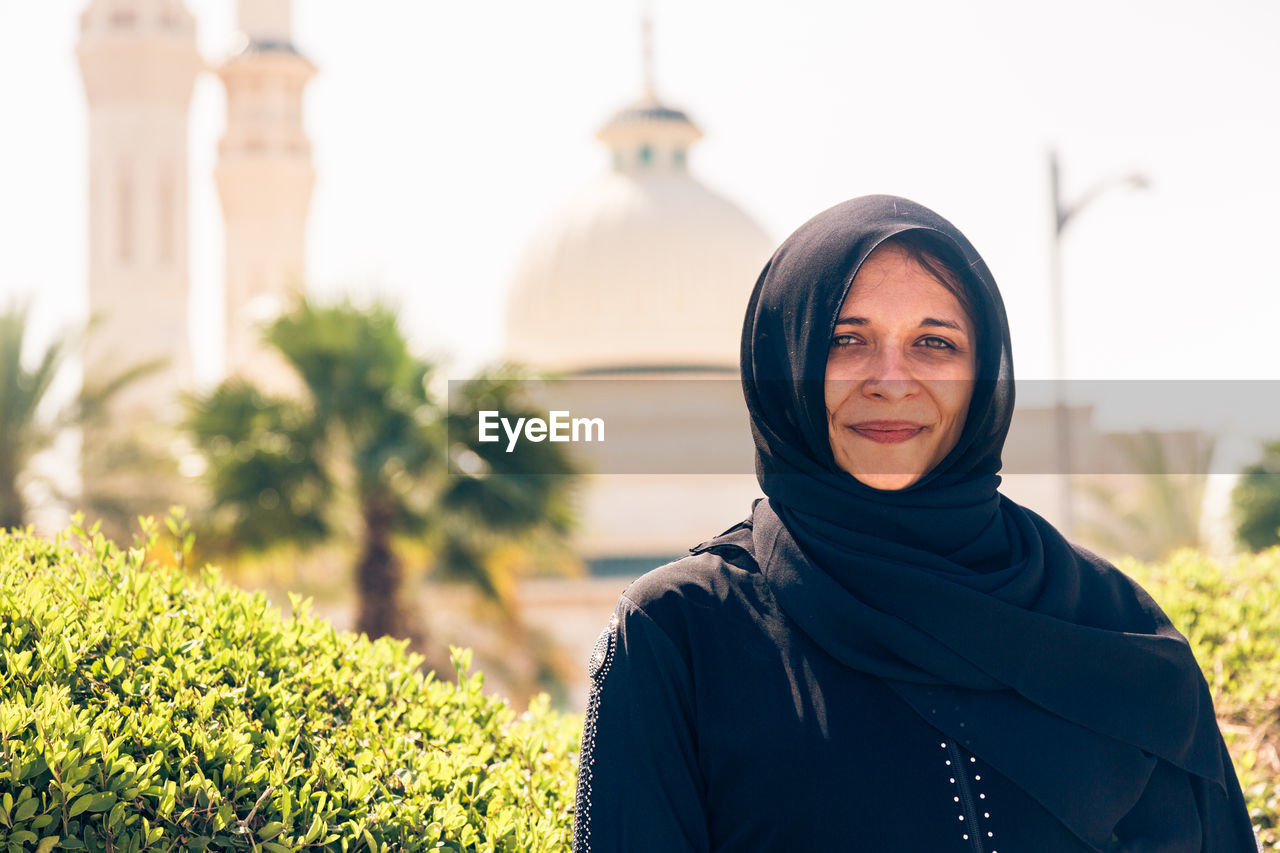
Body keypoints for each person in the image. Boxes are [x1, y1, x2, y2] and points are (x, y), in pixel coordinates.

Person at [571, 194, 1259, 852]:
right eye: (847, 339)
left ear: (984, 368)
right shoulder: (684, 634)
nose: (891, 379)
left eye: (934, 342)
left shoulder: (1111, 622)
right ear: (788, 361)